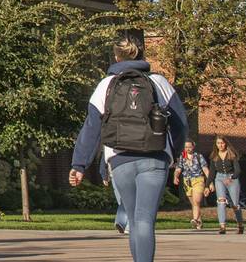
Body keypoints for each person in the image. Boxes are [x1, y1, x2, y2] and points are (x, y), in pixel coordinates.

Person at [69, 31, 188, 262]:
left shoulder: (106, 85)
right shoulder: (159, 82)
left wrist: (79, 165)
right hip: (155, 157)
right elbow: (181, 124)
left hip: (120, 158)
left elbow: (91, 128)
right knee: (145, 220)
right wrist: (173, 154)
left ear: (116, 57)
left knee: (134, 220)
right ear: (142, 54)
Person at [208, 135, 244, 235]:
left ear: (226, 143)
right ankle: (222, 226)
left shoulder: (232, 155)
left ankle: (240, 224)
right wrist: (207, 185)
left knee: (235, 204)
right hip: (219, 178)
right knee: (221, 201)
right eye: (218, 143)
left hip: (232, 178)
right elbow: (212, 173)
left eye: (222, 143)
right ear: (216, 144)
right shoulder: (214, 156)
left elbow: (238, 171)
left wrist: (231, 178)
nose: (221, 145)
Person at [173, 140, 209, 230]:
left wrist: (210, 182)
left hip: (198, 179)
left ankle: (195, 219)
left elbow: (205, 169)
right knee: (193, 203)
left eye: (189, 147)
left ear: (193, 146)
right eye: (186, 147)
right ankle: (199, 221)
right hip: (187, 181)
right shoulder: (182, 157)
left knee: (197, 201)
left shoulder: (198, 156)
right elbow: (178, 169)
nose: (188, 149)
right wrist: (176, 177)